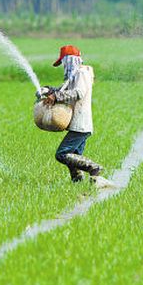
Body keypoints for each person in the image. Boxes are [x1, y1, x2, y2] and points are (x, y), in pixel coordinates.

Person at [36, 45, 102, 182]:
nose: (63, 66)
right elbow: (60, 89)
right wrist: (46, 90)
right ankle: (78, 182)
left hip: (81, 124)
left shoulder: (82, 73)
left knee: (62, 154)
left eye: (63, 62)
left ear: (70, 60)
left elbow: (78, 93)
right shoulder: (73, 76)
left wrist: (56, 97)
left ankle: (93, 168)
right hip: (77, 123)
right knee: (74, 157)